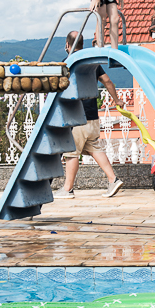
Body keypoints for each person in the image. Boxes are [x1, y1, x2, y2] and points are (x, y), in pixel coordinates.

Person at [57, 30, 124, 199]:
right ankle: (113, 179)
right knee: (94, 148)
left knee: (71, 152)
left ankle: (67, 189)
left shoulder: (69, 62)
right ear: (82, 44)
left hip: (76, 116)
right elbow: (107, 81)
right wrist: (117, 101)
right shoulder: (91, 62)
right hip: (93, 116)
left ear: (67, 45)